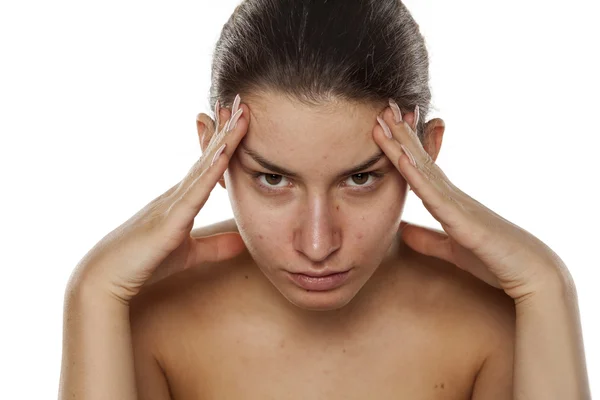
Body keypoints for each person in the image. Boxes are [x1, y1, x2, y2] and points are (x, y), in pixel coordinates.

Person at [58, 0, 591, 399]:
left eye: (360, 179)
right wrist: (92, 292)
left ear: (425, 156)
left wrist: (549, 287)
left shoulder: (492, 323)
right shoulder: (148, 314)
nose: (317, 244)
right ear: (211, 155)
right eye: (272, 179)